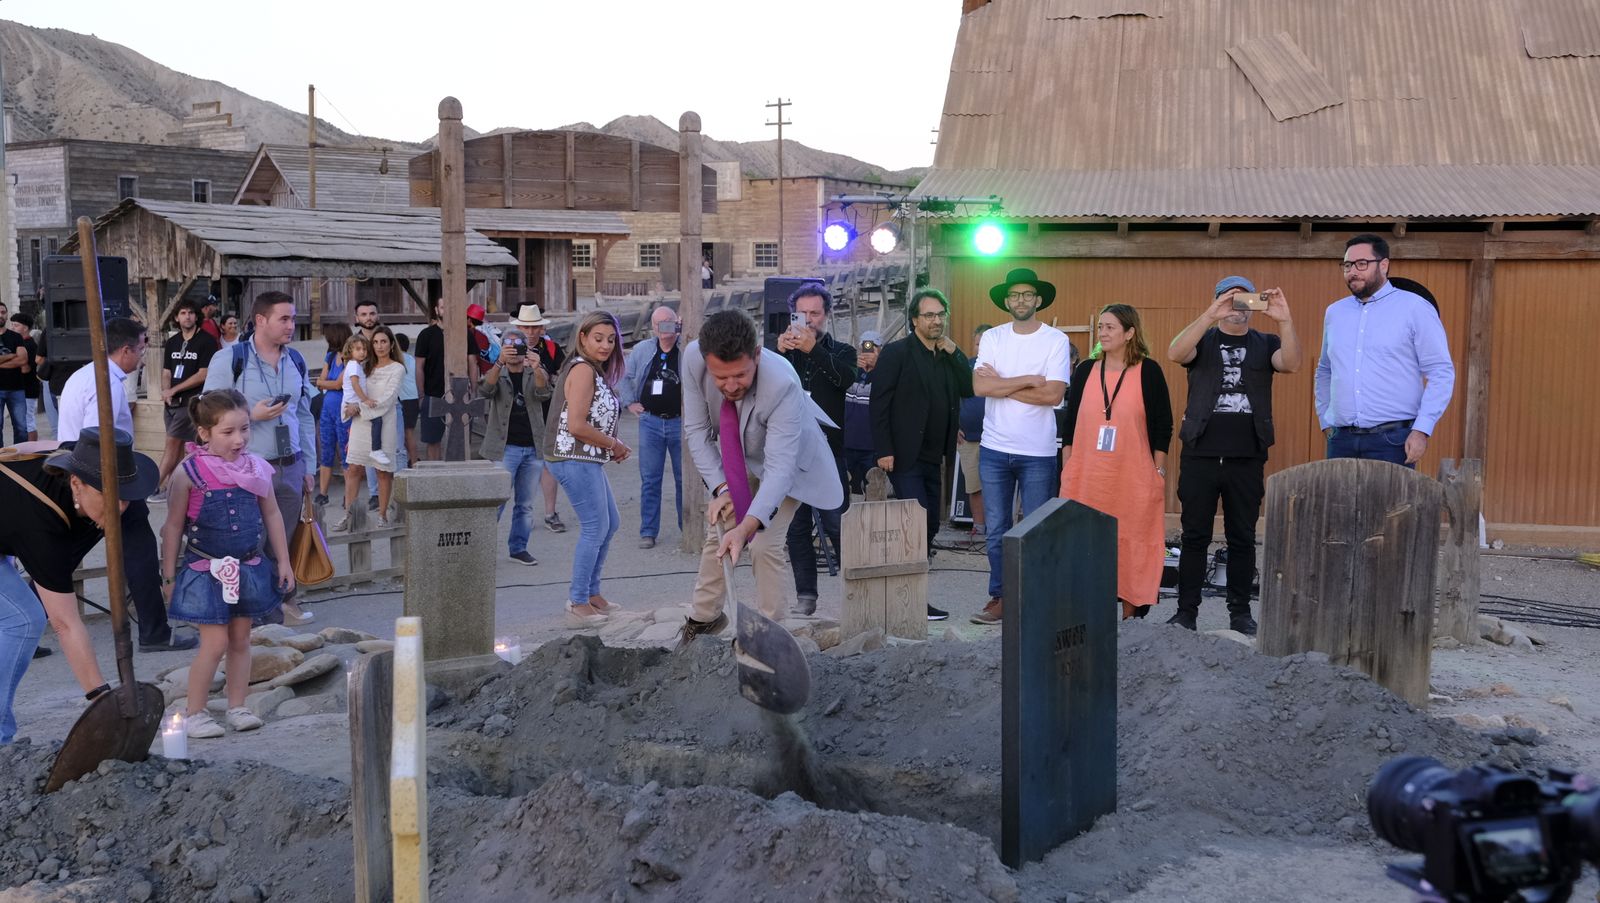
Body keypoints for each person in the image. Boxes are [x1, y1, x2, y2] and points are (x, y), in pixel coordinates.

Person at [676, 309, 840, 646]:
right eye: (721, 378)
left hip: (791, 464)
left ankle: (770, 634)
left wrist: (747, 525)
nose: (731, 386)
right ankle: (704, 619)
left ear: (757, 355)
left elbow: (779, 468)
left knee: (763, 543)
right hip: (743, 455)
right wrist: (722, 488)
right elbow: (695, 430)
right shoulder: (693, 358)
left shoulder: (782, 383)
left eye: (740, 375)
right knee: (720, 529)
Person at [0, 428, 160, 743]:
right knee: (24, 619)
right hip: (19, 516)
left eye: (125, 496)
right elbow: (65, 624)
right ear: (76, 483)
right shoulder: (42, 525)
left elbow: (39, 445)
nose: (121, 507)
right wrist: (102, 700)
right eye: (110, 497)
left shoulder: (88, 460)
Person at [1166, 277, 1303, 636]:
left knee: (1241, 537)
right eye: (1231, 299)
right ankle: (1186, 613)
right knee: (1194, 536)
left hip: (1246, 455)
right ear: (1218, 302)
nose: (1239, 307)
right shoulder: (1205, 340)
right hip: (1201, 453)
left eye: (1245, 300)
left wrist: (1284, 320)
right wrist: (1210, 315)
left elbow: (1290, 364)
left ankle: (1240, 614)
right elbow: (1175, 353)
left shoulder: (1265, 343)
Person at [58, 319, 199, 649]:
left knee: (63, 553)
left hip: (91, 471)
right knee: (139, 553)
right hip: (101, 475)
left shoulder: (88, 375)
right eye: (141, 347)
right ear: (125, 350)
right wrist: (113, 494)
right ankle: (154, 632)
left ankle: (23, 620)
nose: (143, 354)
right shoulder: (103, 383)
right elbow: (96, 442)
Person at [160, 390, 293, 739]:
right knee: (215, 643)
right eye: (228, 432)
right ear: (204, 433)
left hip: (247, 567)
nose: (239, 439)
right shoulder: (187, 473)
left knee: (241, 639)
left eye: (245, 429)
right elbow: (173, 526)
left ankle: (238, 706)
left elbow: (273, 514)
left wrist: (284, 562)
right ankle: (195, 712)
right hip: (206, 571)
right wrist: (169, 573)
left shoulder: (257, 469)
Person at [202, 291, 317, 627]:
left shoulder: (295, 360)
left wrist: (309, 466)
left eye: (293, 318)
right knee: (250, 542)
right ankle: (249, 614)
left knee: (286, 539)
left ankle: (285, 603)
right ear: (262, 320)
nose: (291, 325)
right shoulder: (231, 359)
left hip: (290, 464)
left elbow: (304, 415)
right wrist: (249, 416)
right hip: (245, 467)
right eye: (284, 318)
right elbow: (208, 413)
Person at [970, 268, 1072, 625]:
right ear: (1007, 301)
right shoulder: (994, 338)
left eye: (1028, 294)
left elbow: (1054, 394)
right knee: (996, 529)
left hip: (1038, 451)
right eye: (1015, 295)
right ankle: (1000, 597)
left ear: (1038, 300)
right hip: (995, 447)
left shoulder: (1055, 340)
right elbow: (981, 389)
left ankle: (1035, 599)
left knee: (1035, 528)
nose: (1021, 300)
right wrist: (1029, 379)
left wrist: (1004, 383)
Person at [1060, 304, 1172, 621]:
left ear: (1129, 333)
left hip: (1133, 478)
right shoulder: (1085, 371)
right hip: (1086, 478)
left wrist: (1158, 470)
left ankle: (1131, 616)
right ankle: (1089, 614)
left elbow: (1163, 426)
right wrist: (1068, 467)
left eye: (1110, 327)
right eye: (1101, 327)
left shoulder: (1148, 371)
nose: (1103, 332)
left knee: (1132, 540)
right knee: (1084, 540)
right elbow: (1069, 425)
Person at [870, 289, 973, 621]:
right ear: (914, 320)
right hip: (903, 454)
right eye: (929, 315)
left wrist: (956, 351)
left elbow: (967, 387)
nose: (936, 320)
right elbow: (879, 403)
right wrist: (884, 449)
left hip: (935, 454)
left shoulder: (945, 355)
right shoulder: (897, 353)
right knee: (913, 524)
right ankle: (910, 600)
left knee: (929, 524)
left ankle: (910, 594)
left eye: (940, 314)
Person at [1316, 234, 1455, 467]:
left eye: (1362, 264)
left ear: (1384, 265)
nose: (1353, 272)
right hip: (1341, 440)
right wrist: (1325, 421)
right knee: (1338, 505)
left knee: (1392, 505)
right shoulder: (1335, 313)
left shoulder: (1415, 308)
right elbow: (1324, 370)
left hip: (1393, 441)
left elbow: (1441, 372)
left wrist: (1422, 429)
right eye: (1347, 265)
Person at [542, 311, 630, 627]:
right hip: (572, 457)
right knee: (595, 526)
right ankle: (578, 600)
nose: (605, 345)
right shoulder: (581, 371)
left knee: (611, 523)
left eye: (611, 339)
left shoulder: (593, 370)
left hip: (586, 457)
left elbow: (590, 420)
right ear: (582, 337)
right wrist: (613, 444)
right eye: (598, 338)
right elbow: (577, 425)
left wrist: (613, 442)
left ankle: (592, 594)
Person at [775, 284, 856, 616]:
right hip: (790, 450)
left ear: (827, 314)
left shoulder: (843, 350)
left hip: (829, 450)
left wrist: (814, 351)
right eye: (802, 313)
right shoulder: (781, 352)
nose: (808, 320)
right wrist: (777, 353)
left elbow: (846, 380)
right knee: (795, 528)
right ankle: (806, 596)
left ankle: (854, 594)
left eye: (815, 313)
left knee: (837, 523)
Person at [480, 327, 551, 566]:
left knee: (526, 505)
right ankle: (483, 549)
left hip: (533, 447)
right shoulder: (497, 371)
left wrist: (537, 367)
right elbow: (485, 390)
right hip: (504, 448)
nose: (514, 351)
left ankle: (519, 548)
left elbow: (544, 394)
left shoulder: (534, 370)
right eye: (508, 346)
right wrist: (499, 363)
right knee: (497, 501)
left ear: (526, 348)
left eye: (518, 346)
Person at [619, 306, 684, 549]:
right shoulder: (642, 349)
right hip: (651, 422)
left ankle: (686, 528)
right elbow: (624, 376)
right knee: (650, 479)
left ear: (676, 323)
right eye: (659, 325)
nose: (664, 328)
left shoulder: (687, 348)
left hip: (680, 421)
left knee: (683, 479)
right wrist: (630, 402)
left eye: (669, 322)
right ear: (654, 328)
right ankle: (648, 531)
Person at [335, 326, 405, 530]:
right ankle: (349, 514)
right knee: (354, 468)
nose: (379, 346)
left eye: (383, 342)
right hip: (360, 424)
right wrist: (348, 408)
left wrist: (359, 408)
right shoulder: (363, 366)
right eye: (375, 342)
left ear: (391, 344)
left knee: (382, 471)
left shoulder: (397, 369)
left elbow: (388, 399)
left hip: (384, 423)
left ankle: (382, 514)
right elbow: (347, 388)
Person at [157, 299, 220, 490]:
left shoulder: (207, 341)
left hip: (191, 403)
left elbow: (203, 374)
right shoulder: (172, 342)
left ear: (197, 316)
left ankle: (152, 487)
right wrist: (167, 391)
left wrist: (175, 390)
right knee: (177, 450)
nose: (187, 316)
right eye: (183, 313)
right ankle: (173, 488)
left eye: (191, 313)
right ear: (176, 317)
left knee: (172, 446)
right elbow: (167, 371)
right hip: (171, 404)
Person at [519, 304, 569, 534]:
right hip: (518, 414)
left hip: (545, 411)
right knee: (521, 465)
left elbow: (562, 379)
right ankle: (523, 515)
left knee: (548, 463)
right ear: (519, 327)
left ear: (541, 328)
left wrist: (541, 371)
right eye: (526, 327)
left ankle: (550, 513)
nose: (530, 332)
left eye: (534, 327)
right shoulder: (508, 346)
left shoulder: (551, 348)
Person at [956, 324, 991, 539]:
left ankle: (997, 529)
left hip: (996, 438)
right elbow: (951, 398)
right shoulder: (964, 368)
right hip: (968, 438)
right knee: (974, 486)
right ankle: (978, 528)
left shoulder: (1003, 368)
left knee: (996, 487)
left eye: (986, 343)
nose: (982, 347)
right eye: (978, 343)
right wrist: (953, 427)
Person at [314, 323, 353, 507]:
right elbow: (320, 381)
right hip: (328, 408)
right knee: (326, 450)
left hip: (343, 408)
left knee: (346, 452)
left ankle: (349, 494)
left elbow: (337, 384)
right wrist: (325, 382)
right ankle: (323, 493)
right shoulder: (330, 356)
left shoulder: (351, 358)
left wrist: (324, 382)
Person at [340, 335, 391, 468]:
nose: (362, 352)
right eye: (358, 349)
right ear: (350, 350)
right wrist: (366, 400)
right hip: (354, 402)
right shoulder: (353, 366)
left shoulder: (356, 365)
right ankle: (376, 450)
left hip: (356, 401)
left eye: (364, 349)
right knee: (377, 419)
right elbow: (355, 385)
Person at [842, 331, 883, 495]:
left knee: (874, 489)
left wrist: (878, 366)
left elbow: (885, 388)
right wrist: (855, 368)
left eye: (872, 348)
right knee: (848, 490)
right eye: (864, 347)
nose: (867, 352)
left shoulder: (885, 373)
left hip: (871, 446)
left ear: (880, 350)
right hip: (847, 443)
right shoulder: (850, 370)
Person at [413, 302, 447, 461]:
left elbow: (472, 363)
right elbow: (419, 366)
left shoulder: (465, 333)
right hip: (432, 394)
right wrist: (421, 395)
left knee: (461, 440)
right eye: (442, 306)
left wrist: (472, 390)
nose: (446, 309)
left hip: (459, 395)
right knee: (433, 441)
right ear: (436, 309)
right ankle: (435, 477)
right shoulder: (426, 335)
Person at [0, 314, 36, 445]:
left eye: (3, 312)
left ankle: (21, 458)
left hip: (17, 388)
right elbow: (18, 360)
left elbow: (22, 361)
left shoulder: (16, 337)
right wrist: (10, 356)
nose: (0, 315)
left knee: (22, 427)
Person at [395, 332, 419, 469]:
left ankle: (413, 462)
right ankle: (413, 460)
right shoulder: (412, 359)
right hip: (413, 397)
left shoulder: (396, 359)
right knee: (409, 432)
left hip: (403, 398)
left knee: (406, 433)